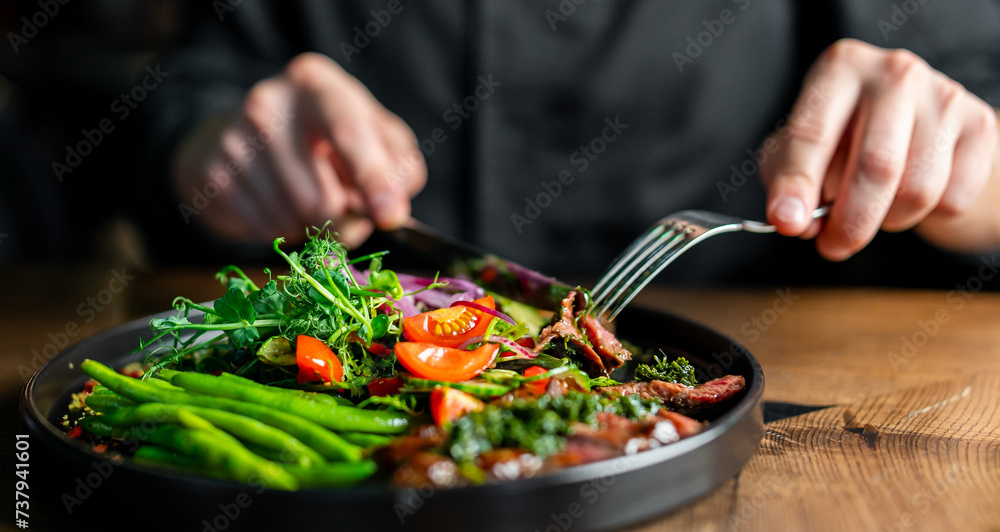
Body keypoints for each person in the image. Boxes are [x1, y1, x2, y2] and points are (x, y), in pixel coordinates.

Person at [135, 0, 1000, 284]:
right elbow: (183, 91)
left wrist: (959, 168)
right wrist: (212, 148)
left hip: (774, 410)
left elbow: (977, 111)